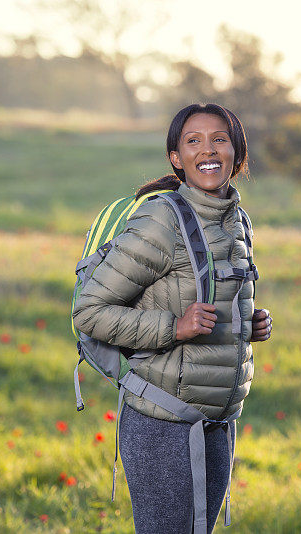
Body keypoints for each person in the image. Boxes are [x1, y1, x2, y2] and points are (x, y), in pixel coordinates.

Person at [72, 103, 272, 534]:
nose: (208, 150)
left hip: (218, 422)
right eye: (193, 141)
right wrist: (174, 327)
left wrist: (247, 324)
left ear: (237, 152)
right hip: (163, 423)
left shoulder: (237, 220)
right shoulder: (161, 219)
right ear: (176, 159)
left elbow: (208, 296)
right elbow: (90, 311)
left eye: (219, 138)